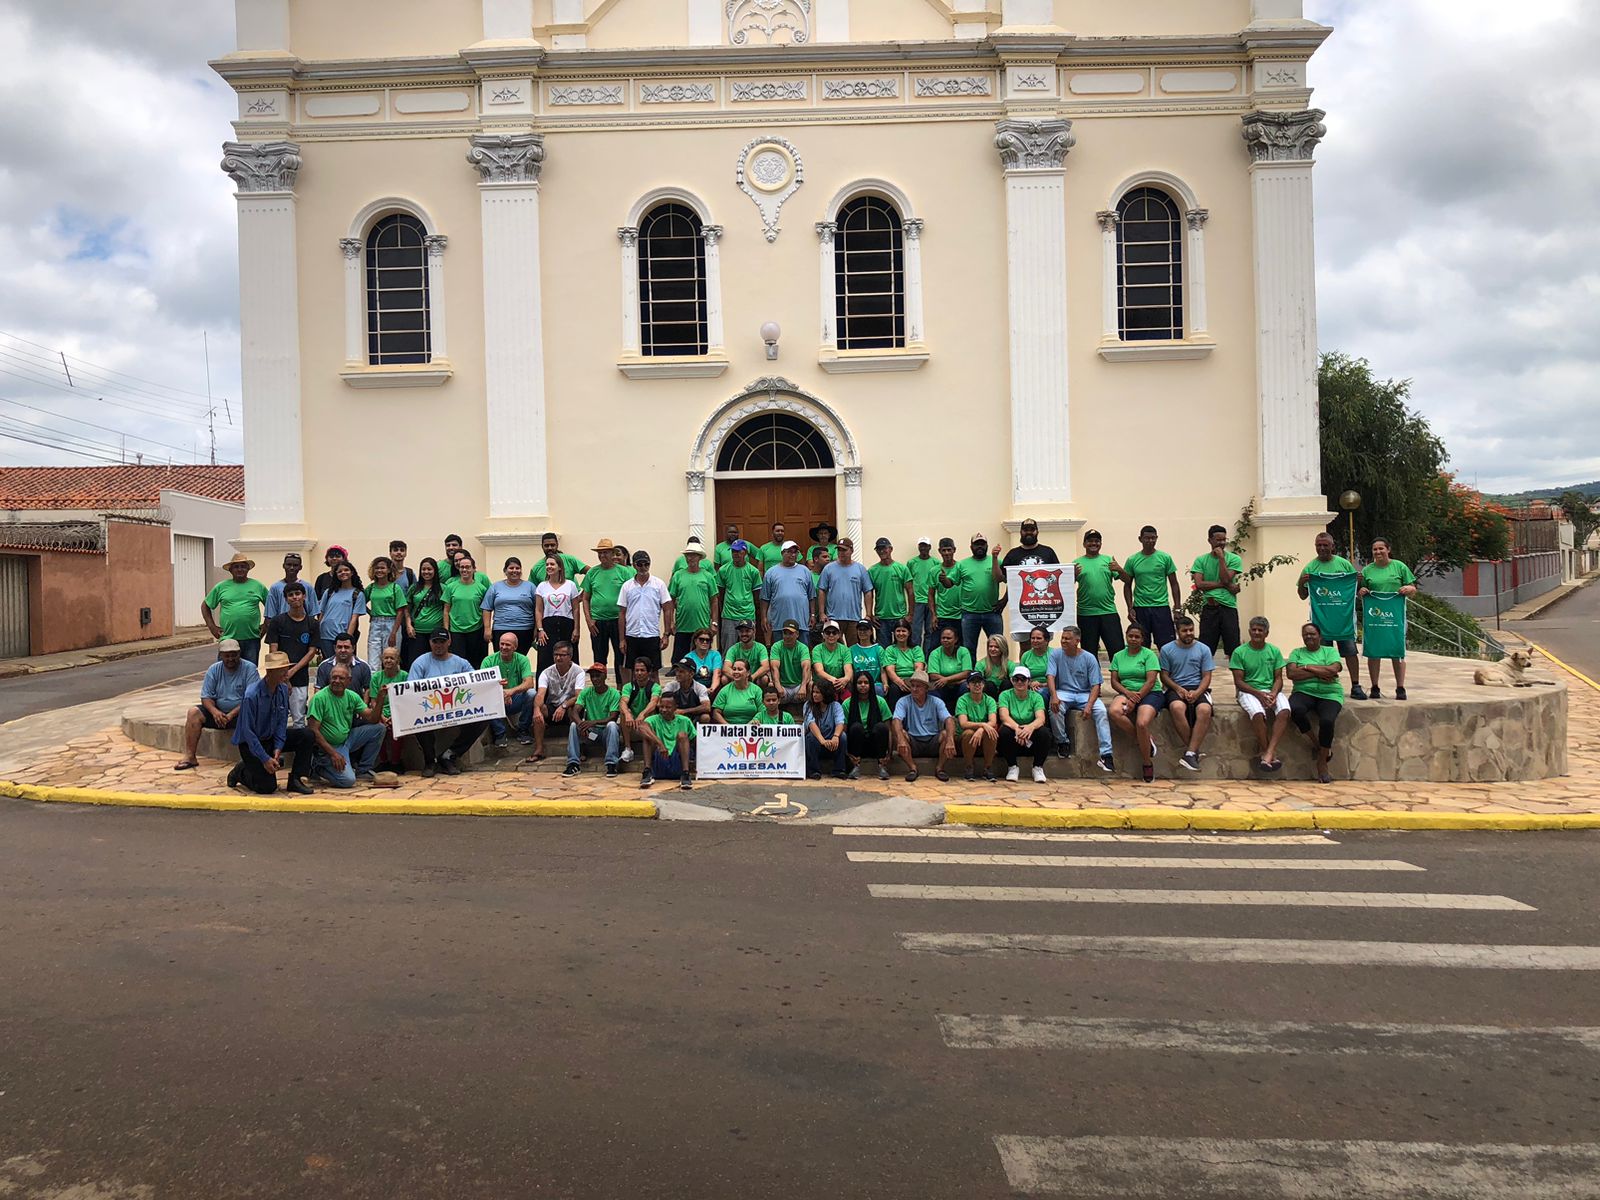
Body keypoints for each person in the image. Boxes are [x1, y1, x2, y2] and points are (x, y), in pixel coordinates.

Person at [228, 650, 316, 795]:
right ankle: (241, 772)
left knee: (306, 735)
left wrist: (278, 747)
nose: (286, 673)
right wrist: (264, 758)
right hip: (251, 743)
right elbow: (248, 732)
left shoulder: (282, 690)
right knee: (267, 788)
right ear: (270, 672)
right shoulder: (252, 695)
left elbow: (282, 722)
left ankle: (295, 779)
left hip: (270, 738)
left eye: (286, 669)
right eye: (282, 671)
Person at [1297, 531, 1367, 700]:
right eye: (1318, 545)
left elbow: (1356, 589)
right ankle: (1324, 684)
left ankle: (1356, 685)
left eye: (1325, 545)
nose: (1322, 548)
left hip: (1344, 621)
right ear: (1315, 547)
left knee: (1350, 653)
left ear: (1332, 546)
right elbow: (1302, 595)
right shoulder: (1310, 568)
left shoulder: (1344, 565)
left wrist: (1359, 580)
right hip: (1320, 622)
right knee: (1322, 655)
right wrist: (1302, 583)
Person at [405, 630, 484, 777]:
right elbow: (411, 689)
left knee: (485, 717)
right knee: (416, 717)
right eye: (435, 642)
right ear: (430, 643)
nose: (438, 645)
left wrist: (496, 685)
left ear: (449, 642)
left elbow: (477, 682)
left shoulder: (461, 663)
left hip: (457, 710)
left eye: (442, 641)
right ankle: (430, 760)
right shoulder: (420, 662)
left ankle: (449, 755)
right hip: (430, 710)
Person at [174, 639, 259, 770]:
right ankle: (190, 756)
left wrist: (231, 714)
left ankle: (254, 757)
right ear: (221, 656)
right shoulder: (214, 670)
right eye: (227, 655)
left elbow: (251, 698)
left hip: (240, 714)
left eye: (234, 655)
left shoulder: (250, 668)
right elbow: (206, 697)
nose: (230, 658)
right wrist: (215, 712)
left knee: (255, 714)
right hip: (218, 714)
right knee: (193, 713)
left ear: (239, 654)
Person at [306, 662, 384, 787]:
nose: (337, 681)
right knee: (348, 781)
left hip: (347, 739)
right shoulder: (319, 698)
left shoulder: (352, 696)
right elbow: (313, 731)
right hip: (328, 747)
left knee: (379, 729)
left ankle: (364, 769)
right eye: (334, 677)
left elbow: (372, 718)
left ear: (349, 680)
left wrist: (380, 698)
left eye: (341, 678)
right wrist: (333, 754)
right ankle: (317, 766)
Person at [1048, 625, 1114, 772]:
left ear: (1077, 641)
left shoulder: (1089, 658)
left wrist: (1089, 706)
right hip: (1063, 691)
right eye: (1062, 638)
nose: (1063, 641)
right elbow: (1050, 676)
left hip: (1085, 694)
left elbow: (1096, 685)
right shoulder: (1055, 654)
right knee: (1055, 709)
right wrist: (1054, 696)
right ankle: (1062, 742)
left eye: (1067, 638)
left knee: (1101, 711)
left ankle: (1106, 754)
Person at [1359, 537, 1419, 700]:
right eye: (1375, 549)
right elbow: (1361, 590)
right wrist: (1362, 590)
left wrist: (1408, 588)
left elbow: (1414, 588)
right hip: (1375, 618)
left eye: (1381, 549)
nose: (1378, 552)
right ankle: (1375, 687)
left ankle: (1400, 688)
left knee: (1397, 650)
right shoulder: (1367, 571)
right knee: (1374, 650)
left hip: (1395, 616)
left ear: (1388, 549)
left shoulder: (1399, 567)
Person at [1230, 616, 1291, 773]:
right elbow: (1239, 681)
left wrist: (1273, 693)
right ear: (1249, 631)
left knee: (1285, 711)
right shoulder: (1239, 652)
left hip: (1270, 691)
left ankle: (1269, 752)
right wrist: (1258, 694)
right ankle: (1268, 752)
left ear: (1266, 633)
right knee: (1257, 713)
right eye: (1254, 630)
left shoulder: (1274, 651)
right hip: (1248, 691)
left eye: (1260, 630)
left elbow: (1278, 678)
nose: (1257, 633)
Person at [1287, 622, 1345, 785]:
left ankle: (1322, 762)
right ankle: (1318, 745)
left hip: (1330, 693)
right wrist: (1319, 672)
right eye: (1305, 634)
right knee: (1295, 709)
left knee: (1327, 721)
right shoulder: (1296, 653)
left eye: (1312, 634)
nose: (1309, 637)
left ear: (1320, 636)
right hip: (1304, 692)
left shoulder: (1330, 651)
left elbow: (1333, 671)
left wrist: (1306, 667)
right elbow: (1292, 674)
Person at [1107, 622, 1165, 782]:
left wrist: (1136, 698)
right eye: (1130, 636)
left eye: (1137, 637)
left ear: (1143, 639)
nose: (1133, 639)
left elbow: (1151, 681)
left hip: (1149, 693)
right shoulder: (1118, 656)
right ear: (1126, 636)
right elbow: (1114, 681)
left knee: (1141, 723)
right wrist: (1127, 694)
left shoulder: (1149, 655)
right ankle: (1146, 740)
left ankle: (1147, 763)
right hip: (1127, 692)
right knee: (1114, 711)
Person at [1159, 614, 1216, 773]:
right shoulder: (1167, 649)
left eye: (1191, 630)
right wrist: (1178, 689)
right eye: (1185, 631)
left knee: (1204, 710)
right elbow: (1164, 675)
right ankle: (1194, 750)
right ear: (1178, 632)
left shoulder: (1203, 649)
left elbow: (1207, 676)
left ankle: (1190, 753)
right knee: (1177, 707)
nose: (1189, 633)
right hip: (1175, 687)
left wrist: (1197, 692)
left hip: (1198, 688)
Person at [264, 580, 320, 728]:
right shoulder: (278, 621)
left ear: (304, 596)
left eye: (297, 594)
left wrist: (292, 671)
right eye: (290, 595)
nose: (295, 597)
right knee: (277, 719)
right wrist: (283, 676)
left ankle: (297, 750)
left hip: (300, 678)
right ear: (286, 599)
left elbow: (311, 652)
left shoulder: (312, 623)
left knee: (299, 720)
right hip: (278, 680)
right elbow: (273, 651)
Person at [942, 532, 1002, 661]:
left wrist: (1004, 600)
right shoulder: (962, 564)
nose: (979, 546)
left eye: (982, 544)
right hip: (969, 614)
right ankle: (972, 677)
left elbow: (1011, 580)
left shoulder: (996, 561)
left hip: (992, 612)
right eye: (976, 544)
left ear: (987, 545)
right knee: (969, 648)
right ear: (971, 547)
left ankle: (996, 675)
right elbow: (950, 583)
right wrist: (943, 579)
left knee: (997, 646)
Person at [202, 552, 270, 666]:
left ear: (248, 569)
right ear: (230, 570)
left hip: (251, 639)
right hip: (228, 638)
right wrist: (212, 627)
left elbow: (271, 607)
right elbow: (205, 606)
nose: (240, 569)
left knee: (250, 673)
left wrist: (265, 626)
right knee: (226, 673)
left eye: (243, 566)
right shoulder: (221, 587)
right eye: (236, 567)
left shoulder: (258, 586)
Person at [581, 539, 634, 683]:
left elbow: (632, 595)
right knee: (599, 656)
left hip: (619, 621)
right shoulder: (592, 573)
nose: (602, 555)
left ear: (612, 554)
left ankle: (621, 687)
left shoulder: (624, 572)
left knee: (620, 655)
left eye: (605, 552)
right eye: (600, 553)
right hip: (598, 622)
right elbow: (585, 598)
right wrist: (588, 619)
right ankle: (600, 687)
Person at [1122, 526, 1182, 651]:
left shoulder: (1165, 558)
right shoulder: (1133, 560)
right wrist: (1129, 607)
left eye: (1153, 538)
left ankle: (1167, 670)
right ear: (1140, 539)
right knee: (1141, 645)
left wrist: (1177, 607)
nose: (1150, 541)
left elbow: (1174, 583)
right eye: (1147, 538)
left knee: (1167, 646)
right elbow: (1127, 584)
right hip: (1140, 608)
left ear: (1157, 538)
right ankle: (1144, 670)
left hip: (1161, 607)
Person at [891, 669, 956, 782]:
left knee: (946, 734)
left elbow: (949, 719)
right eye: (912, 686)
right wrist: (901, 739)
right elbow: (896, 720)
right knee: (899, 733)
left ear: (926, 689)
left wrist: (950, 740)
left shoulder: (936, 701)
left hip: (933, 740)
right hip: (913, 740)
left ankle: (940, 768)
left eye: (918, 686)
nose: (914, 689)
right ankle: (912, 768)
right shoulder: (903, 701)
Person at [1190, 525, 1243, 660]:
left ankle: (1236, 679)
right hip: (1209, 609)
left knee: (1233, 650)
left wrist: (1221, 559)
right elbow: (1200, 584)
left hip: (1228, 608)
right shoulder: (1201, 560)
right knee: (1205, 650)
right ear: (1210, 540)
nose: (1221, 543)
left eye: (1224, 540)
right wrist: (1225, 586)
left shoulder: (1234, 559)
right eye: (1218, 540)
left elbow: (1226, 578)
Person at [617, 551, 673, 679]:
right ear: (634, 565)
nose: (643, 567)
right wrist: (621, 639)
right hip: (632, 635)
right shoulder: (627, 586)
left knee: (653, 673)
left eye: (646, 564)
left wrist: (666, 635)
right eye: (640, 564)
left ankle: (655, 698)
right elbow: (622, 613)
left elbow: (667, 609)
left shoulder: (658, 585)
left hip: (651, 635)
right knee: (633, 672)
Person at [1073, 530, 1125, 660]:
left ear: (1101, 543)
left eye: (1097, 541)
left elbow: (1127, 579)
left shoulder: (1108, 560)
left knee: (1117, 651)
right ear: (1084, 543)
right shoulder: (1077, 563)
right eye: (1090, 541)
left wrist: (1119, 569)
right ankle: (1093, 681)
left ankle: (1119, 680)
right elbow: (1065, 586)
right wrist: (1072, 575)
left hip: (1108, 612)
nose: (1093, 543)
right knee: (1089, 654)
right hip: (1086, 614)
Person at [529, 640, 585, 761]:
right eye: (556, 655)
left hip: (568, 707)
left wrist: (564, 706)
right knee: (540, 708)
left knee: (574, 709)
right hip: (552, 708)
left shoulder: (579, 672)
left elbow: (579, 696)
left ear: (570, 656)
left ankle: (577, 749)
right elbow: (540, 694)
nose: (558, 658)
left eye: (562, 655)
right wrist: (536, 709)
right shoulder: (546, 672)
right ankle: (539, 749)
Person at [998, 666, 1054, 783]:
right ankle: (1012, 766)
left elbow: (1041, 718)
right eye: (1016, 679)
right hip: (1014, 732)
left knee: (1045, 733)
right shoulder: (1005, 695)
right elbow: (1004, 716)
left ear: (1029, 681)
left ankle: (1038, 767)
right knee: (1004, 732)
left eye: (1023, 679)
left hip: (1030, 734)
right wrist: (1017, 729)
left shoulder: (1036, 697)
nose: (1019, 682)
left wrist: (1029, 728)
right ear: (1012, 681)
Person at [566, 663, 623, 777]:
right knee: (573, 726)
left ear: (605, 676)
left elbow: (613, 716)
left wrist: (593, 722)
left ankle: (611, 764)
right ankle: (573, 764)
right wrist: (581, 724)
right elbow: (575, 711)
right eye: (592, 676)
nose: (595, 679)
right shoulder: (586, 692)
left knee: (612, 725)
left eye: (598, 675)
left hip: (606, 734)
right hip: (591, 733)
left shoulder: (614, 693)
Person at [483, 631, 536, 748]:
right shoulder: (488, 661)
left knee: (532, 694)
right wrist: (501, 693)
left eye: (507, 645)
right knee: (486, 698)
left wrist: (511, 692)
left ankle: (523, 730)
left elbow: (529, 683)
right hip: (496, 699)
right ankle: (500, 734)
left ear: (515, 647)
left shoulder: (522, 659)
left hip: (515, 698)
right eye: (502, 644)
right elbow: (483, 685)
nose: (503, 647)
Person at [760, 541, 817, 646]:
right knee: (780, 654)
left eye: (795, 552)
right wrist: (764, 617)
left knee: (803, 653)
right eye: (789, 552)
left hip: (802, 622)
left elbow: (811, 596)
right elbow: (765, 598)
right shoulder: (771, 572)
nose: (793, 555)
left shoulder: (805, 571)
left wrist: (812, 615)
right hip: (779, 623)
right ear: (782, 553)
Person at [669, 544, 718, 663]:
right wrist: (671, 622)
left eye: (693, 555)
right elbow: (671, 600)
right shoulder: (678, 576)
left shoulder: (707, 576)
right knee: (680, 661)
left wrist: (714, 622)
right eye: (688, 555)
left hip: (702, 625)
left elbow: (714, 600)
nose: (690, 558)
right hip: (682, 625)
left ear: (699, 557)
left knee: (702, 659)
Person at [639, 689, 695, 791]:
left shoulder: (685, 721)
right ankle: (647, 771)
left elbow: (693, 740)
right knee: (647, 736)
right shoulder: (653, 719)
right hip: (659, 759)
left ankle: (686, 774)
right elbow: (642, 727)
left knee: (682, 735)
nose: (664, 710)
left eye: (668, 707)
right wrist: (660, 744)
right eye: (661, 706)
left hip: (677, 761)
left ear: (675, 708)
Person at [441, 553, 490, 667]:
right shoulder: (451, 587)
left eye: (468, 567)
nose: (464, 569)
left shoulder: (481, 588)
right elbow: (446, 610)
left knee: (476, 663)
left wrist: (487, 629)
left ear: (473, 569)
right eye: (462, 567)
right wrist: (446, 630)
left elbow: (486, 610)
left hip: (476, 630)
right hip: (456, 631)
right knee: (457, 664)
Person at [483, 557, 538, 658]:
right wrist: (487, 629)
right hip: (500, 629)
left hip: (525, 630)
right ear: (505, 571)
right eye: (511, 568)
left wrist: (536, 629)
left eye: (517, 568)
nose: (514, 571)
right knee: (502, 660)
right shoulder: (495, 587)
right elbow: (487, 608)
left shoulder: (530, 586)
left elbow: (538, 609)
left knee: (519, 660)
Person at [530, 557, 579, 672]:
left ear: (560, 567)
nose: (549, 567)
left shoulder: (570, 585)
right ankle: (544, 689)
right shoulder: (542, 586)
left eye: (552, 564)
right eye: (547, 565)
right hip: (547, 626)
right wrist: (540, 629)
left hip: (567, 625)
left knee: (569, 657)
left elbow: (576, 609)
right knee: (545, 659)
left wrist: (576, 629)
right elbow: (538, 610)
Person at [843, 669, 893, 781]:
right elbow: (844, 731)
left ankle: (882, 766)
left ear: (871, 685)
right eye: (859, 683)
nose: (863, 685)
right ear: (854, 685)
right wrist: (847, 753)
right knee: (856, 727)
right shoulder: (847, 703)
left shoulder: (880, 702)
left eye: (866, 683)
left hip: (875, 745)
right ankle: (855, 766)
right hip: (856, 746)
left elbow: (888, 730)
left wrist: (889, 753)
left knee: (880, 727)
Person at [715, 541, 764, 652]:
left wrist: (756, 613)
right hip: (729, 615)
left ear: (745, 552)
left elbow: (757, 596)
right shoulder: (723, 570)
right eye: (733, 551)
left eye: (738, 551)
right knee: (728, 649)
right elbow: (720, 594)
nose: (735, 554)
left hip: (747, 614)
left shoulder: (753, 571)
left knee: (748, 649)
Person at [367, 644, 408, 773]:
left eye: (392, 658)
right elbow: (373, 702)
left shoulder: (404, 676)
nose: (388, 661)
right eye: (386, 658)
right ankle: (383, 761)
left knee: (397, 729)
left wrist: (394, 716)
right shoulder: (376, 678)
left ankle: (396, 762)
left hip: (400, 712)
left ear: (397, 660)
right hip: (380, 712)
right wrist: (382, 717)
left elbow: (407, 700)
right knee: (378, 728)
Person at [867, 538, 913, 647]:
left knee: (902, 647)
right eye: (879, 549)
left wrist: (910, 614)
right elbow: (869, 594)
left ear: (891, 549)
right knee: (883, 650)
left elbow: (910, 591)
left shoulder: (902, 569)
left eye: (884, 548)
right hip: (881, 618)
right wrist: (870, 615)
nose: (882, 551)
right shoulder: (872, 571)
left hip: (900, 616)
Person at [363, 556, 407, 669]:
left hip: (392, 623)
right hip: (375, 624)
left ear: (388, 570)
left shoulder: (395, 588)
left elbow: (400, 611)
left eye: (382, 568)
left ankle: (391, 685)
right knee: (373, 661)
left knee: (391, 658)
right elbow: (361, 601)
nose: (379, 570)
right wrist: (370, 612)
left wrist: (393, 633)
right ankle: (375, 685)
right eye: (377, 568)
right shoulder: (371, 588)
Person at [318, 561, 367, 662]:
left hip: (342, 634)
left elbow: (354, 618)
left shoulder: (357, 594)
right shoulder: (329, 592)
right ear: (336, 574)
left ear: (352, 572)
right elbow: (321, 613)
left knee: (343, 664)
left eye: (346, 570)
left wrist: (348, 638)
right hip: (325, 634)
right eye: (339, 571)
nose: (343, 573)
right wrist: (316, 634)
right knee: (329, 663)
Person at [818, 538, 874, 627]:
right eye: (839, 550)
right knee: (833, 640)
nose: (841, 553)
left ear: (851, 550)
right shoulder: (828, 568)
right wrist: (822, 613)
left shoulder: (860, 569)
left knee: (854, 641)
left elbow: (867, 592)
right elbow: (822, 590)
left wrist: (868, 614)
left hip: (854, 617)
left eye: (844, 550)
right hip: (833, 617)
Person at [954, 671, 999, 782]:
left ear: (984, 684)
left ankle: (988, 767)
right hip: (964, 737)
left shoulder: (990, 700)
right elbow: (963, 723)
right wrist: (982, 725)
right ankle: (969, 766)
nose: (977, 685)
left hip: (982, 735)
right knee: (969, 733)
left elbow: (993, 721)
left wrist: (981, 730)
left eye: (979, 682)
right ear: (968, 685)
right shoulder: (962, 700)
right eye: (973, 682)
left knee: (991, 732)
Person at [403, 557, 447, 668]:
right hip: (417, 632)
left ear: (435, 571)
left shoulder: (443, 588)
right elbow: (407, 608)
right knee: (416, 663)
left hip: (436, 633)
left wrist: (446, 630)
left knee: (436, 663)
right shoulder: (414, 588)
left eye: (429, 569)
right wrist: (408, 625)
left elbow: (447, 609)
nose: (426, 572)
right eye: (423, 569)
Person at [801, 679, 849, 780]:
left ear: (825, 693)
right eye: (813, 692)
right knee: (810, 737)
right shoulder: (808, 705)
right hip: (817, 742)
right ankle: (813, 771)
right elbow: (811, 723)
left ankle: (839, 770)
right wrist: (822, 740)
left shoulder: (836, 706)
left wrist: (835, 737)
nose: (814, 695)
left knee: (843, 736)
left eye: (818, 692)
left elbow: (840, 722)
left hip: (832, 743)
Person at [618, 658, 662, 764]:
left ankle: (651, 749)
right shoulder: (628, 687)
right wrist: (628, 714)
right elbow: (623, 701)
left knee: (651, 713)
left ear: (649, 672)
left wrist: (643, 714)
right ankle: (628, 749)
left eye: (642, 670)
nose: (639, 673)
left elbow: (654, 702)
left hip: (647, 726)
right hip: (632, 725)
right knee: (623, 711)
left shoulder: (655, 687)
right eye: (636, 670)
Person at [906, 536, 941, 657]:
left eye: (925, 546)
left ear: (930, 547)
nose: (923, 548)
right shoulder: (911, 563)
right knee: (915, 633)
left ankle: (928, 659)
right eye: (921, 545)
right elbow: (908, 583)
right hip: (917, 602)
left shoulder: (936, 563)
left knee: (930, 632)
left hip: (932, 602)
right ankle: (916, 659)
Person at [926, 625, 973, 711]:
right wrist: (953, 680)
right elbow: (933, 675)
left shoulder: (963, 651)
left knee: (966, 686)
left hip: (958, 686)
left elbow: (967, 673)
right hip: (942, 686)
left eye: (948, 638)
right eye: (943, 638)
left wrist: (946, 680)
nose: (945, 640)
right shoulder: (935, 653)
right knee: (932, 688)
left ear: (956, 639)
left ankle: (963, 714)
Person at [928, 537, 965, 649]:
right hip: (942, 616)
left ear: (954, 550)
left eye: (949, 550)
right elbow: (930, 594)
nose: (947, 553)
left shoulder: (961, 568)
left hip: (960, 616)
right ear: (939, 551)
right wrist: (933, 615)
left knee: (961, 648)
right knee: (934, 648)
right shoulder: (934, 571)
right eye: (944, 550)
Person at [880, 620, 925, 708]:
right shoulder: (890, 649)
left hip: (914, 679)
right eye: (898, 631)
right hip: (897, 680)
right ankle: (895, 718)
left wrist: (912, 683)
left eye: (903, 631)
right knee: (894, 689)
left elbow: (919, 667)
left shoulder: (916, 649)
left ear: (909, 633)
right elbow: (890, 670)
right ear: (894, 633)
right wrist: (900, 683)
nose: (901, 634)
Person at [771, 620, 812, 714]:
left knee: (810, 685)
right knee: (770, 685)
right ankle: (773, 717)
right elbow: (774, 668)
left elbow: (806, 667)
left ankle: (809, 715)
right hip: (782, 687)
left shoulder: (803, 648)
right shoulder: (776, 647)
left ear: (797, 634)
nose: (787, 636)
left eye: (791, 633)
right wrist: (777, 685)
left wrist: (803, 686)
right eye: (785, 633)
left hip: (799, 688)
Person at [265, 552, 320, 621]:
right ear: (283, 566)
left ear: (300, 567)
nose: (291, 568)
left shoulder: (308, 587)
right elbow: (270, 615)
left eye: (295, 565)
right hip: (282, 628)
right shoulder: (275, 588)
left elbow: (312, 613)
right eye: (289, 565)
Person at [314, 632, 372, 696]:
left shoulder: (364, 667)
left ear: (353, 648)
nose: (343, 650)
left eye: (346, 647)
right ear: (334, 648)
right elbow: (318, 690)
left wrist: (363, 705)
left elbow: (367, 690)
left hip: (356, 705)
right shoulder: (324, 666)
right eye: (339, 647)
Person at [712, 657, 764, 724]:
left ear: (748, 673)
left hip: (751, 729)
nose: (736, 672)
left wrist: (754, 721)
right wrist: (729, 727)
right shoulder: (725, 690)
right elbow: (716, 713)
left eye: (739, 669)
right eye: (734, 669)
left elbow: (762, 711)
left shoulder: (757, 690)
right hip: (729, 730)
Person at [661, 658, 713, 724]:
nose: (677, 674)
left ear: (691, 674)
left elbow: (707, 707)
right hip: (675, 714)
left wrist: (683, 711)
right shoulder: (670, 686)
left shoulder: (700, 687)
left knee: (705, 717)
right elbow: (661, 703)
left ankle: (697, 734)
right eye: (676, 671)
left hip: (693, 716)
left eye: (681, 671)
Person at [810, 620, 854, 695]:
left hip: (841, 683)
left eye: (834, 632)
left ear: (839, 635)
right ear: (823, 635)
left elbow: (848, 669)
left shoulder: (845, 650)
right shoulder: (817, 649)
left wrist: (845, 679)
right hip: (823, 683)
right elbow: (819, 671)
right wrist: (833, 680)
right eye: (827, 632)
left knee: (850, 684)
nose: (831, 635)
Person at [724, 620, 771, 688]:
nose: (744, 634)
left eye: (747, 631)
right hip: (737, 679)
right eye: (741, 631)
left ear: (754, 631)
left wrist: (751, 677)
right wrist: (740, 677)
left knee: (764, 679)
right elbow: (726, 668)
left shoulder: (761, 648)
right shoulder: (733, 649)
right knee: (724, 679)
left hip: (754, 678)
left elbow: (766, 667)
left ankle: (761, 697)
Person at [975, 634, 1016, 698]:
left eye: (997, 647)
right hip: (988, 695)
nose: (993, 649)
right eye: (990, 646)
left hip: (1005, 694)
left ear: (1003, 648)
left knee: (1007, 683)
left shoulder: (1010, 664)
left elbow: (1014, 682)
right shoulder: (981, 664)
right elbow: (977, 682)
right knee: (989, 684)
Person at [1018, 627, 1053, 696]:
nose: (1035, 640)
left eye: (1039, 638)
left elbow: (1059, 678)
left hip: (1050, 687)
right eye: (1032, 638)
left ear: (1047, 640)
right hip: (1030, 687)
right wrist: (1030, 684)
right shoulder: (1026, 655)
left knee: (1040, 692)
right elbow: (1021, 676)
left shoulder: (1054, 654)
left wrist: (1042, 684)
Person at [850, 621, 883, 694]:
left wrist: (886, 684)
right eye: (860, 630)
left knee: (878, 689)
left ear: (871, 632)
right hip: (858, 683)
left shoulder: (878, 649)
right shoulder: (851, 649)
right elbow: (851, 670)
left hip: (875, 683)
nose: (862, 632)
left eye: (865, 630)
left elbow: (882, 670)